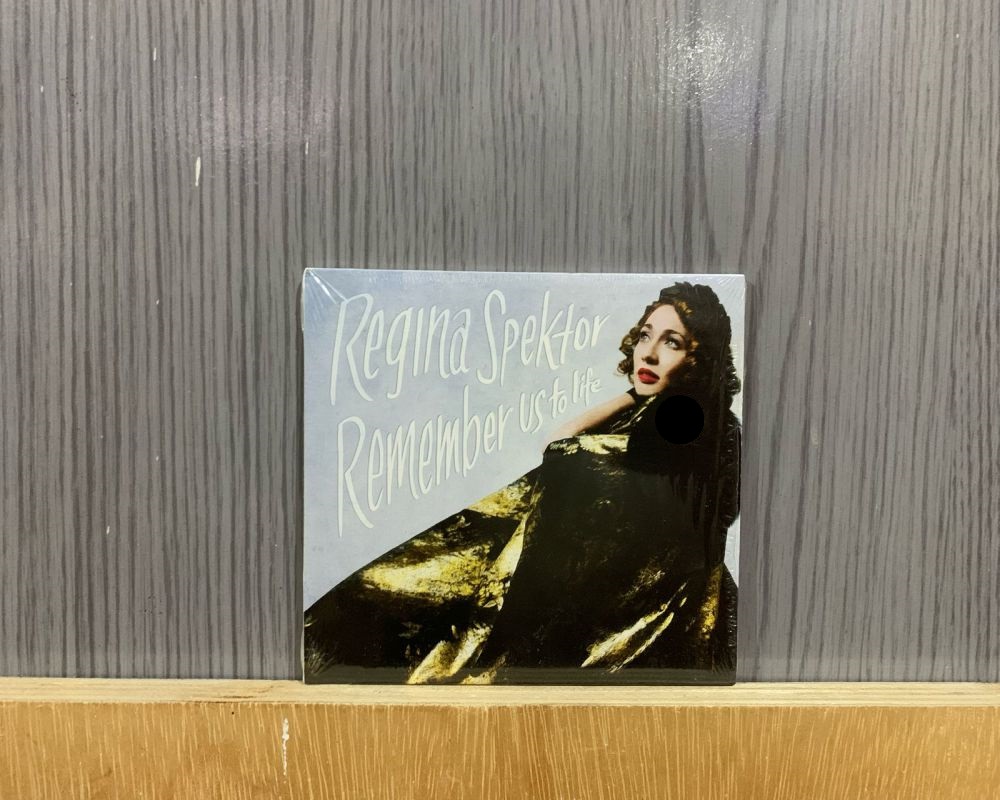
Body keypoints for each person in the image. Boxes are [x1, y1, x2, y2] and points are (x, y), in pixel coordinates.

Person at [304, 282, 741, 684]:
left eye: (672, 342)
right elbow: (560, 444)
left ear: (700, 358)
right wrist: (632, 393)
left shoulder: (691, 423)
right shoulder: (653, 413)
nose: (649, 354)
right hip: (615, 597)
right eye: (645, 336)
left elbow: (570, 455)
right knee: (391, 598)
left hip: (647, 612)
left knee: (403, 610)